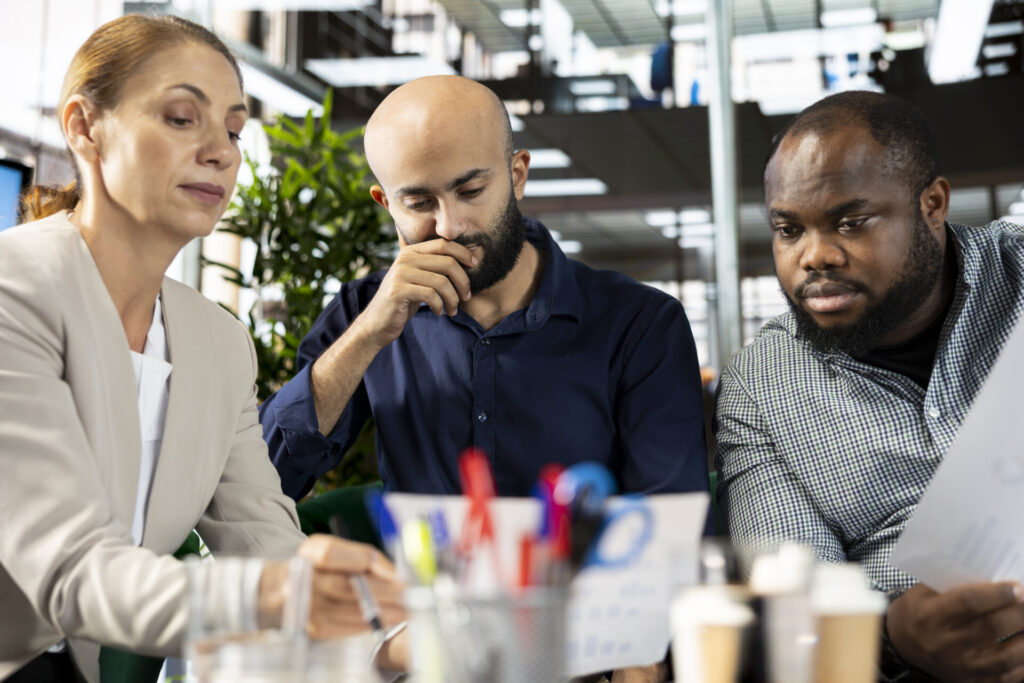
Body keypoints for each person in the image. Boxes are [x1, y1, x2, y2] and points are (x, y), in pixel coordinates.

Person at [0, 15, 405, 682]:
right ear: (83, 127)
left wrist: (401, 639)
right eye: (183, 117)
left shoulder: (217, 344)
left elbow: (263, 543)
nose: (221, 150)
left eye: (235, 129)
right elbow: (72, 570)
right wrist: (277, 597)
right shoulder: (16, 289)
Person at [259, 75, 708, 511]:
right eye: (418, 204)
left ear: (516, 176)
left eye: (471, 190)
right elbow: (262, 483)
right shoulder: (364, 312)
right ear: (386, 204)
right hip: (427, 589)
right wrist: (366, 337)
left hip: (590, 585)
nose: (449, 226)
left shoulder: (640, 324)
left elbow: (670, 523)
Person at [715, 90, 1024, 680]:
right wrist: (890, 634)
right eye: (788, 230)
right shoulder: (761, 386)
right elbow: (790, 598)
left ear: (932, 204)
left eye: (850, 223)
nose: (815, 256)